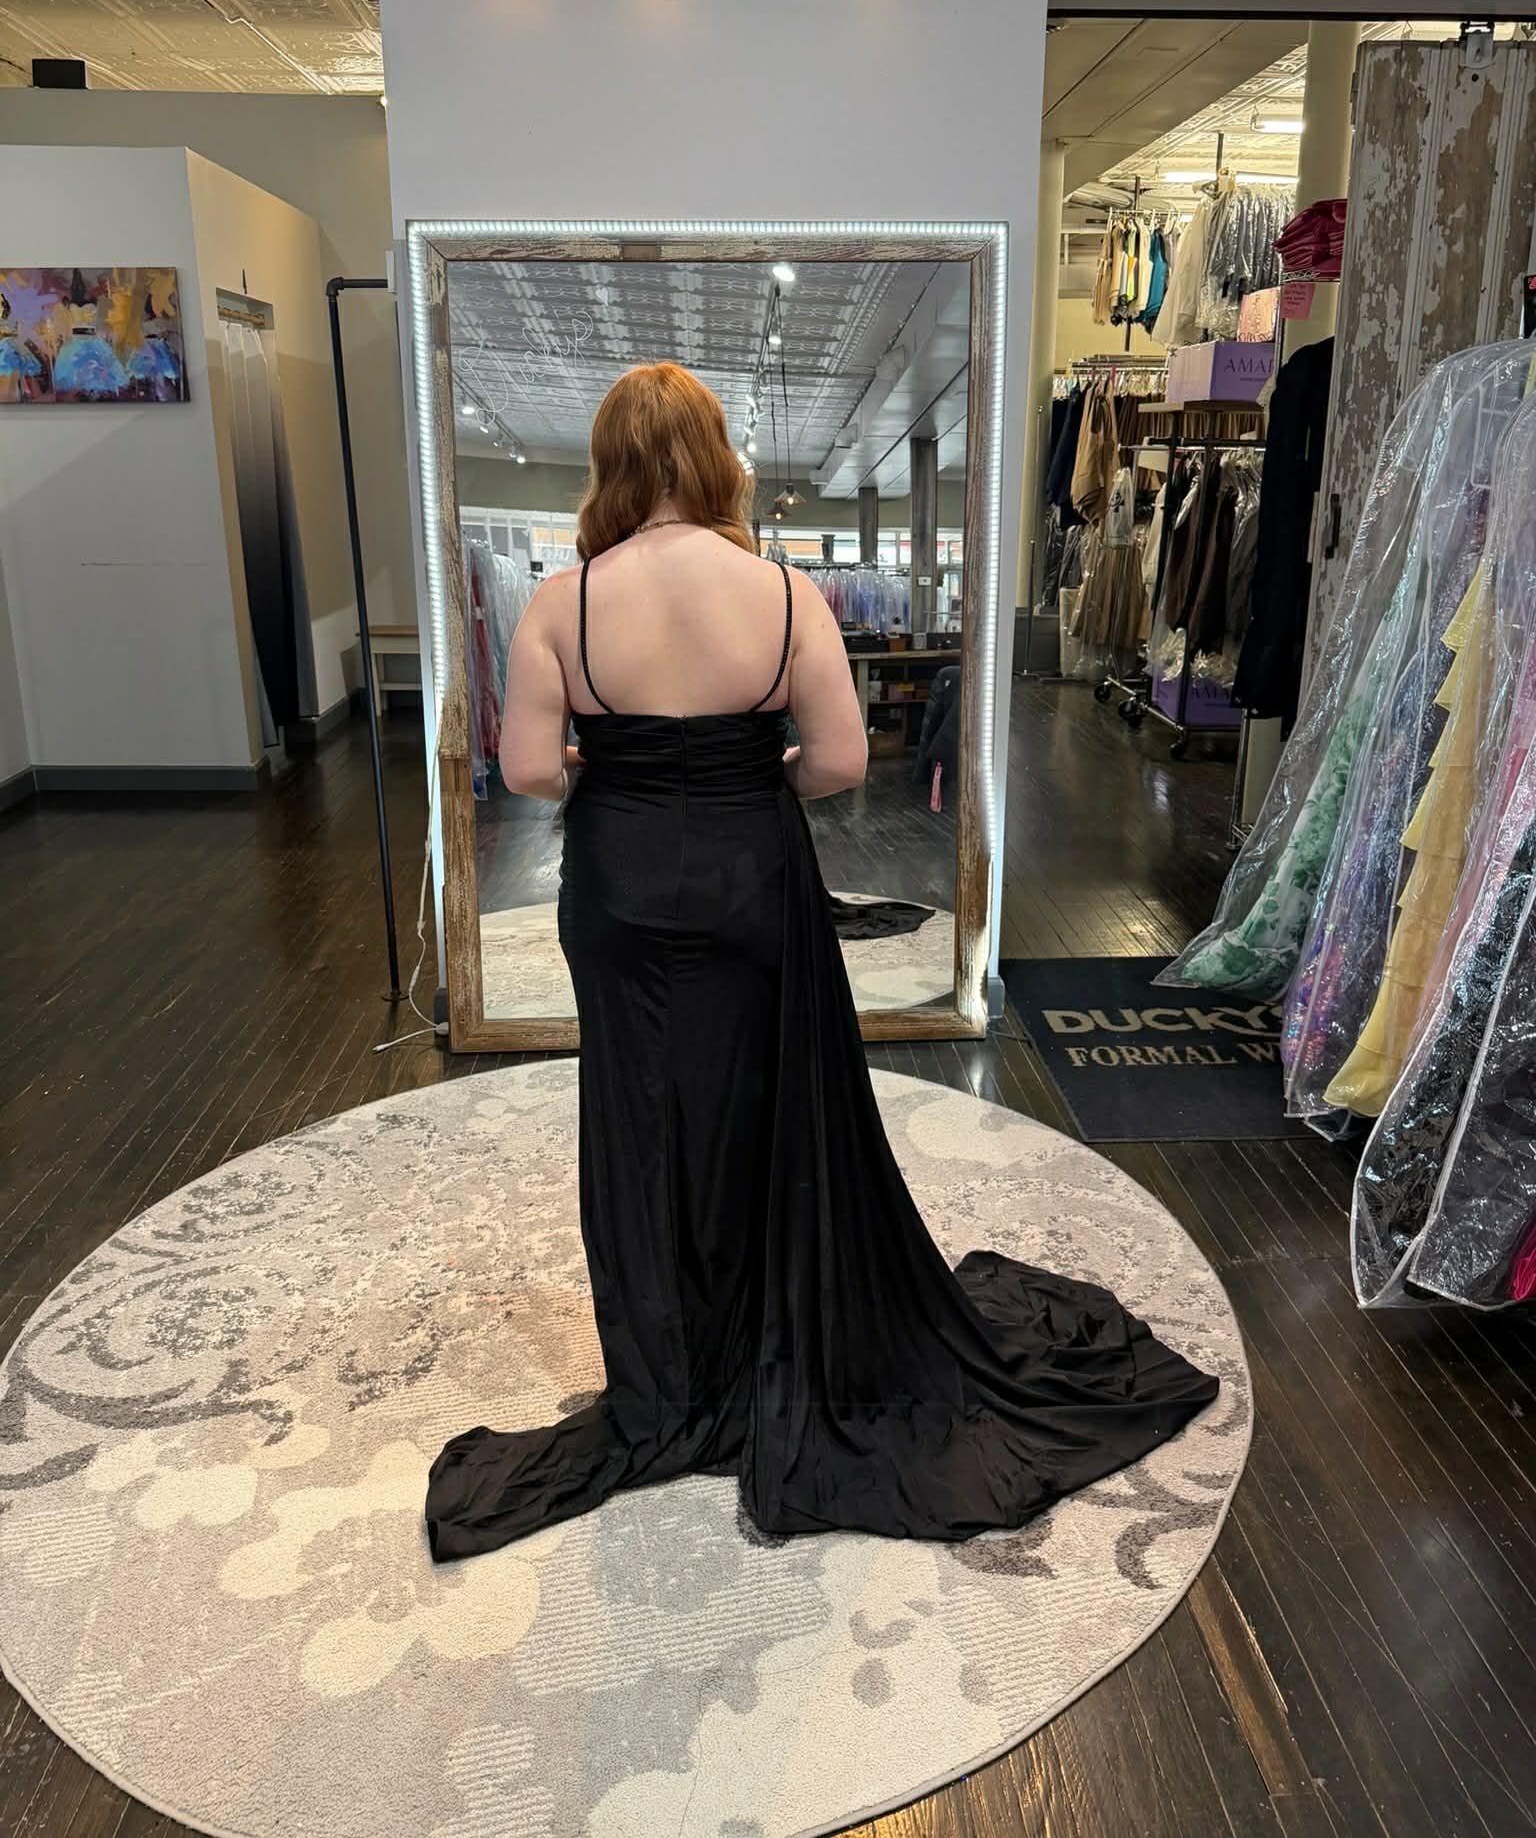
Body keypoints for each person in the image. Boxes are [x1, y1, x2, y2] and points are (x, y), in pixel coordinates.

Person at [424, 363, 1218, 1562]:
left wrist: (621, 779)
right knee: (765, 1104)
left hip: (623, 883)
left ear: (610, 465)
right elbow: (842, 762)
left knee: (638, 1111)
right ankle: (768, 1343)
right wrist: (751, 785)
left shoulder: (559, 602)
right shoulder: (785, 593)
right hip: (754, 872)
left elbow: (528, 767)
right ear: (714, 460)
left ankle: (667, 1367)